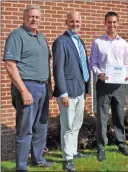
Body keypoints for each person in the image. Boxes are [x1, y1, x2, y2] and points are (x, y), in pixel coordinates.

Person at [3, 5, 55, 171]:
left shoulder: (42, 37)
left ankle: (38, 159)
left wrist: (50, 86)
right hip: (28, 86)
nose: (34, 19)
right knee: (25, 130)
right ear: (24, 18)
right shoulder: (17, 36)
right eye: (31, 16)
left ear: (41, 19)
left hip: (43, 87)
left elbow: (46, 63)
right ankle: (21, 167)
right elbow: (10, 65)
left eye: (37, 17)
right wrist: (24, 91)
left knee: (41, 127)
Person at [89, 11, 128, 162]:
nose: (112, 25)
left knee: (119, 115)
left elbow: (127, 63)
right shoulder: (97, 42)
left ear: (117, 23)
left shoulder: (124, 43)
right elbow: (93, 63)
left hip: (120, 85)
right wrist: (98, 73)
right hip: (103, 83)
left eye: (114, 22)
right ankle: (101, 147)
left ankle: (121, 143)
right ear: (105, 23)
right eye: (109, 22)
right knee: (102, 117)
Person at [52, 11, 91, 171]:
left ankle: (73, 151)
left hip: (80, 89)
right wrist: (63, 93)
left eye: (77, 21)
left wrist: (86, 88)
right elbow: (58, 69)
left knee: (77, 123)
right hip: (68, 92)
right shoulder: (61, 42)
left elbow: (82, 66)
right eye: (72, 21)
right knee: (67, 125)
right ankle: (67, 158)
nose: (75, 24)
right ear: (66, 22)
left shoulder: (79, 40)